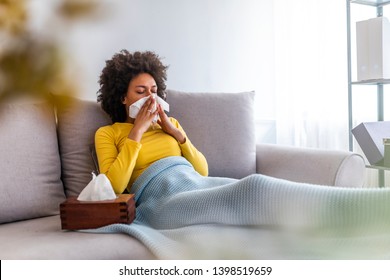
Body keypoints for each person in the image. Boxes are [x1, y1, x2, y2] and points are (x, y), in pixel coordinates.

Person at [95, 50, 208, 194]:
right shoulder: (108, 133)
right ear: (123, 97)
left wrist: (175, 132)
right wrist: (137, 131)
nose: (150, 97)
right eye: (141, 92)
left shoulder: (171, 124)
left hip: (193, 186)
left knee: (246, 187)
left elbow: (203, 172)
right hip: (159, 197)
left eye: (153, 91)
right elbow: (114, 187)